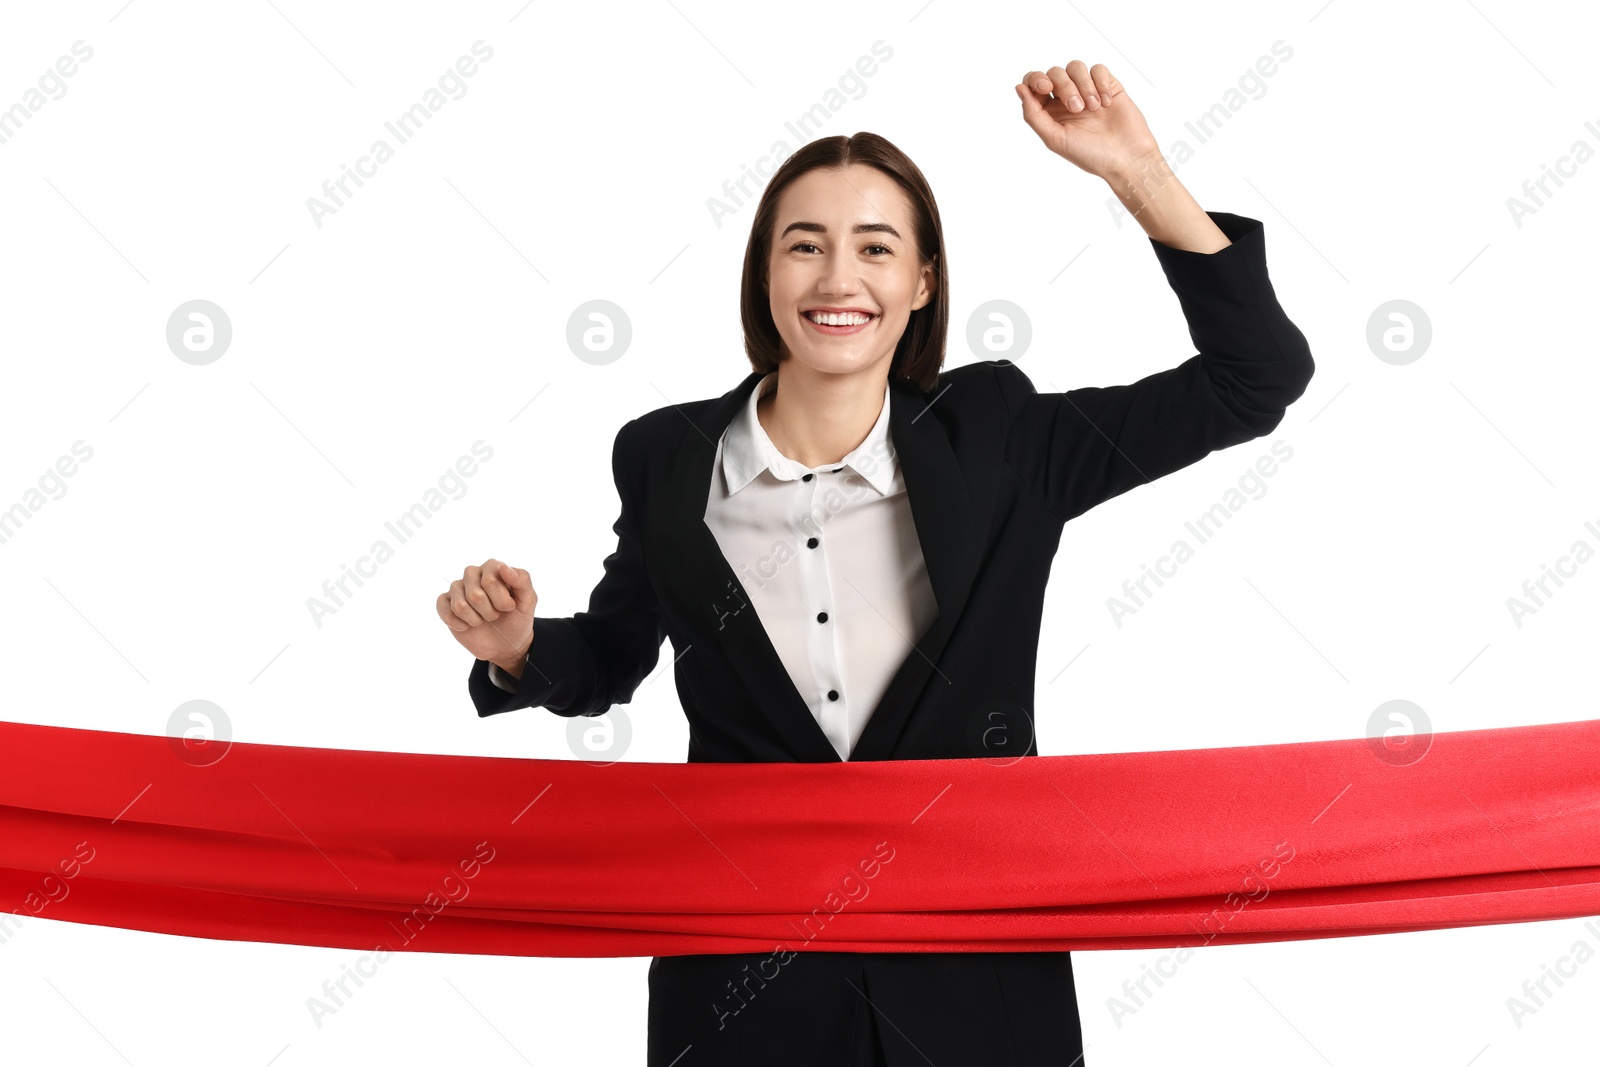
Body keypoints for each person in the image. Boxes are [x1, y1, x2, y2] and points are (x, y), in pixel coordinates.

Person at [436, 59, 1314, 1067]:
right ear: (766, 274)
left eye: (875, 248)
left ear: (921, 280)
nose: (836, 278)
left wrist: (1138, 175)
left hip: (978, 971)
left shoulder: (1002, 439)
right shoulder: (666, 457)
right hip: (742, 982)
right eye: (803, 246)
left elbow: (1256, 379)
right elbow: (608, 658)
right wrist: (516, 649)